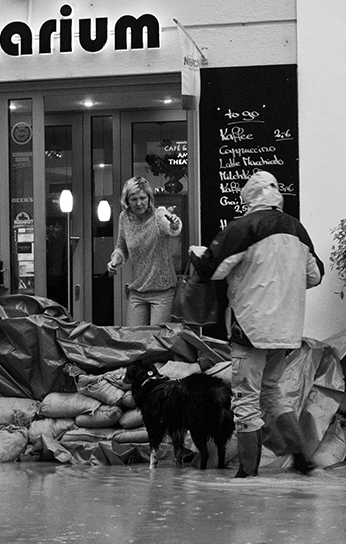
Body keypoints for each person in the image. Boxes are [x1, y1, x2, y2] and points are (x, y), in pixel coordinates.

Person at [189, 171, 324, 477]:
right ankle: (303, 458)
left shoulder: (242, 227)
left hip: (250, 329)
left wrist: (197, 255)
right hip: (286, 330)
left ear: (248, 198)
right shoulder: (298, 230)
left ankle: (248, 474)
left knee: (246, 399)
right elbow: (314, 275)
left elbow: (213, 268)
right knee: (273, 392)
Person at [107, 177, 183, 327]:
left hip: (162, 290)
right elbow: (121, 247)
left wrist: (174, 223)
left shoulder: (159, 216)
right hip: (137, 291)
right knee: (135, 339)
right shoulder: (124, 218)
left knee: (157, 341)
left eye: (143, 198)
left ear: (149, 198)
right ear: (127, 201)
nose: (139, 203)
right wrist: (114, 260)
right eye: (134, 199)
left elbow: (174, 230)